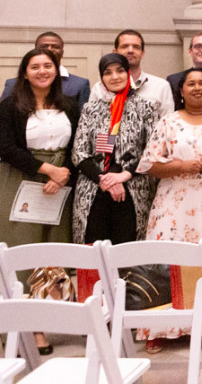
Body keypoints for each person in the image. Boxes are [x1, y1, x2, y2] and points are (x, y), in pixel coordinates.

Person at [136, 67, 202, 353]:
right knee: (167, 259)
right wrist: (182, 166)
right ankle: (157, 327)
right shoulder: (168, 122)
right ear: (181, 91)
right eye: (190, 84)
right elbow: (150, 165)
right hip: (174, 204)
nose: (197, 88)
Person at [0, 48, 79, 354]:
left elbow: (77, 146)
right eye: (35, 66)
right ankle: (18, 329)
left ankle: (41, 326)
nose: (43, 71)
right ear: (24, 72)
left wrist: (64, 174)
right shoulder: (9, 107)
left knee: (49, 256)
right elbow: (6, 147)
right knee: (21, 254)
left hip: (58, 185)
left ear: (56, 71)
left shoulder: (69, 106)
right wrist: (47, 170)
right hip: (20, 180)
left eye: (48, 65)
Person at [72, 53, 160, 247]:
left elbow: (153, 150)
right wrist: (105, 179)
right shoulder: (90, 109)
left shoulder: (147, 107)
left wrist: (123, 176)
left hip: (133, 187)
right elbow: (79, 152)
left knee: (127, 253)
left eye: (120, 71)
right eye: (107, 72)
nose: (114, 77)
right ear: (101, 78)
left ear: (129, 73)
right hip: (94, 189)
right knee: (92, 251)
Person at [88, 29, 174, 119]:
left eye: (136, 47)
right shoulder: (99, 88)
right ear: (115, 52)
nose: (130, 50)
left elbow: (167, 125)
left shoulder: (161, 86)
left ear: (142, 53)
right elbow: (90, 121)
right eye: (124, 46)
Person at [2, 32, 91, 107]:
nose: (50, 49)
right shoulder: (12, 84)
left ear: (62, 53)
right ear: (36, 50)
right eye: (44, 46)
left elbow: (82, 121)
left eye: (55, 46)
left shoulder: (80, 84)